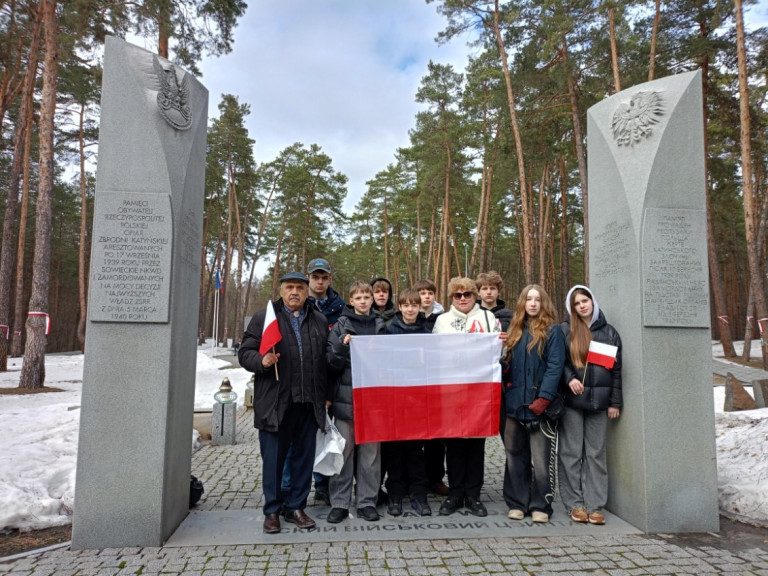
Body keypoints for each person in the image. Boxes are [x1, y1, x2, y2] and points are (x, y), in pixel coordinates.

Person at [238, 272, 329, 534]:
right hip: (276, 403)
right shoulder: (265, 318)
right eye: (289, 287)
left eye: (300, 288)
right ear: (281, 291)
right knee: (274, 461)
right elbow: (245, 352)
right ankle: (272, 511)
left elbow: (324, 362)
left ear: (307, 291)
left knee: (303, 460)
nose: (294, 292)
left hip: (308, 402)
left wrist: (326, 397)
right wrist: (262, 362)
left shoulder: (319, 320)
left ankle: (296, 507)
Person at [432, 277, 502, 517]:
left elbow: (498, 353)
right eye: (457, 295)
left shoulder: (487, 318)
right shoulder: (442, 321)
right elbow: (434, 352)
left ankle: (473, 495)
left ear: (475, 296)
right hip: (451, 391)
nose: (462, 299)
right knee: (454, 445)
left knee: (475, 445)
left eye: (467, 295)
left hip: (479, 390)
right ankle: (455, 493)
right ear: (451, 298)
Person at [282, 257, 344, 506]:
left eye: (323, 277)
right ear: (309, 278)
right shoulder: (296, 305)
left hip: (326, 383)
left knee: (322, 436)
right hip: (296, 385)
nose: (319, 282)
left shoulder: (341, 308)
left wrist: (330, 392)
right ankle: (288, 488)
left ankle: (322, 484)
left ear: (329, 279)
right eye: (315, 277)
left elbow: (335, 354)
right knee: (292, 440)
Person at [559, 285, 622, 526]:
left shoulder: (609, 332)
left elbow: (617, 370)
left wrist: (615, 402)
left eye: (585, 300)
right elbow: (559, 362)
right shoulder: (565, 331)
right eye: (577, 303)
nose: (582, 305)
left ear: (593, 302)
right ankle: (575, 503)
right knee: (571, 453)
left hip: (600, 404)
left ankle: (595, 505)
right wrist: (570, 379)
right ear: (571, 307)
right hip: (573, 403)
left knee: (595, 454)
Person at [502, 284, 565, 524]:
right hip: (514, 405)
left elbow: (555, 366)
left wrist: (544, 398)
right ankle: (517, 502)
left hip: (540, 405)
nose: (533, 303)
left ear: (543, 303)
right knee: (515, 455)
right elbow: (507, 366)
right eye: (529, 299)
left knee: (541, 459)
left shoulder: (553, 331)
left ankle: (541, 504)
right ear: (523, 302)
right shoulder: (514, 330)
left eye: (537, 299)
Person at [325, 281, 387, 523]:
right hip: (346, 400)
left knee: (371, 455)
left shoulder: (382, 325)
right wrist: (342, 346)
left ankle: (367, 501)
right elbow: (330, 362)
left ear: (372, 299)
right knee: (344, 453)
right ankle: (340, 503)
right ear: (350, 301)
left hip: (374, 401)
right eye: (358, 297)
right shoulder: (341, 325)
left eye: (366, 297)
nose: (363, 301)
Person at [382, 288, 432, 517]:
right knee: (394, 449)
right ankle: (395, 494)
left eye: (415, 305)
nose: (410, 309)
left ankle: (419, 494)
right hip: (394, 398)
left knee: (416, 450)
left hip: (419, 399)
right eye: (406, 305)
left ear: (419, 307)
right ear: (399, 307)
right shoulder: (387, 330)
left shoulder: (427, 331)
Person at [413, 278, 447, 495]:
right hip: (413, 385)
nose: (426, 296)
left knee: (437, 437)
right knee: (415, 437)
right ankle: (415, 480)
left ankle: (435, 478)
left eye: (429, 293)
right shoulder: (408, 317)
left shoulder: (443, 319)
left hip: (437, 383)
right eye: (422, 293)